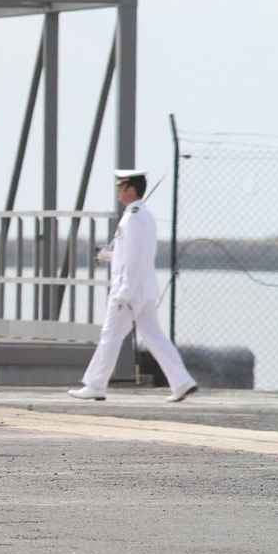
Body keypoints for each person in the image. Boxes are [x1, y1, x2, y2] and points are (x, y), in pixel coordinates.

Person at [70, 170, 198, 402]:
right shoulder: (141, 215)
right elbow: (129, 254)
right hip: (143, 290)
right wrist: (109, 255)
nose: (118, 192)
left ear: (131, 189)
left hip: (130, 291)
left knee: (110, 335)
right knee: (154, 336)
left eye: (121, 187)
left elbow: (135, 258)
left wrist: (124, 291)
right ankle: (182, 382)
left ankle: (95, 384)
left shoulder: (134, 218)